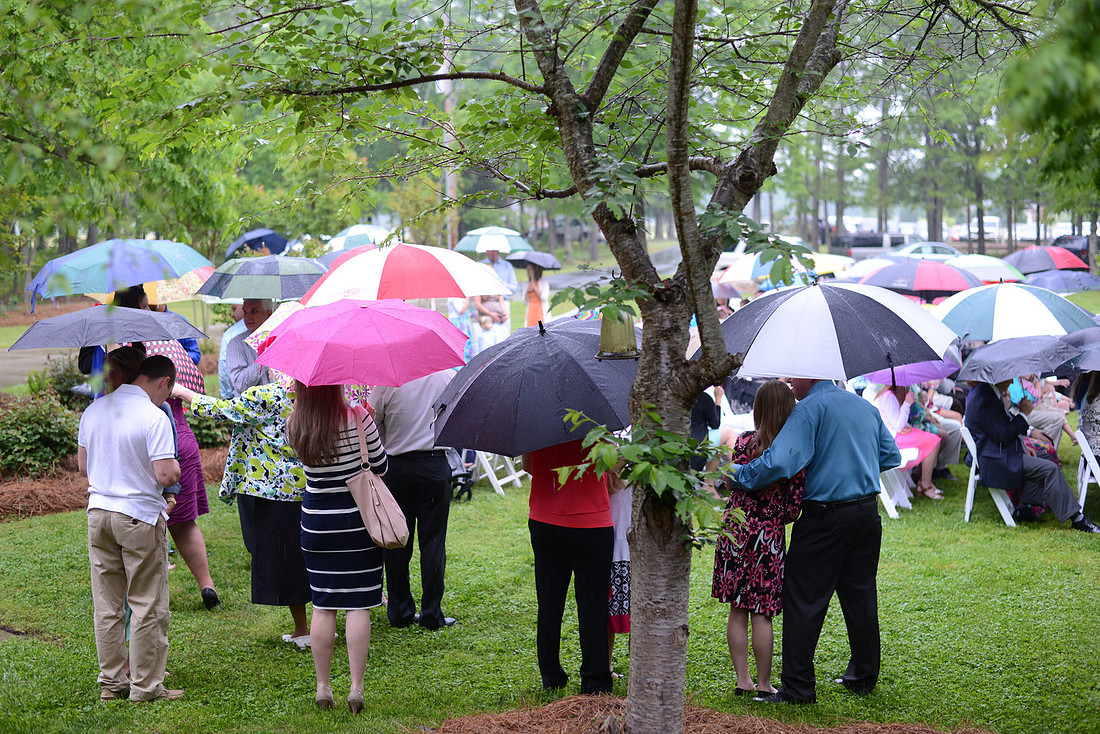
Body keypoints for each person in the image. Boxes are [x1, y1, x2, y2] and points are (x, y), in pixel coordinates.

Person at [723, 378, 901, 704]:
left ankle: (797, 688)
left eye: (795, 376)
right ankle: (863, 676)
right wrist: (852, 462)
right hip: (865, 513)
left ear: (810, 375)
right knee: (860, 596)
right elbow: (891, 456)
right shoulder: (864, 406)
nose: (791, 382)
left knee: (802, 598)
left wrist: (736, 474)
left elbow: (778, 462)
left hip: (825, 516)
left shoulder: (808, 409)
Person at [173, 380, 314, 645]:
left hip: (270, 490)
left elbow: (224, 410)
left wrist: (182, 392)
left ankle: (303, 630)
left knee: (286, 562)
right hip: (313, 486)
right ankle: (321, 624)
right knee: (313, 559)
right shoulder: (323, 394)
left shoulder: (268, 394)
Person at [79, 355, 184, 703]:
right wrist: (177, 471)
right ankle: (146, 686)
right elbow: (165, 475)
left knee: (107, 604)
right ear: (164, 382)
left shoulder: (93, 410)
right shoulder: (153, 416)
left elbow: (83, 466)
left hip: (99, 513)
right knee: (146, 602)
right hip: (138, 515)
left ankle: (111, 683)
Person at [287, 382, 389, 714]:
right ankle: (356, 688)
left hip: (317, 525)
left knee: (323, 605)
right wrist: (367, 426)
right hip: (358, 524)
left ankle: (323, 686)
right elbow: (381, 467)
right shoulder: (359, 418)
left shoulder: (295, 424)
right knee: (358, 605)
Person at [712, 380, 804, 697]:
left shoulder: (742, 442)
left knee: (737, 609)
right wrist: (773, 515)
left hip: (735, 529)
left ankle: (743, 680)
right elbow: (793, 507)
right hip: (766, 536)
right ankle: (764, 685)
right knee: (761, 612)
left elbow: (729, 481)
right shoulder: (792, 452)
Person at [521, 439, 614, 695]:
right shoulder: (596, 421)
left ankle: (551, 675)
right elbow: (610, 464)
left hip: (545, 517)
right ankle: (595, 680)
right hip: (592, 520)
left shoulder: (535, 422)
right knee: (593, 604)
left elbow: (528, 466)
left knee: (549, 601)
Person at [369, 369, 457, 630]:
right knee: (433, 543)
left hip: (397, 468)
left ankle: (400, 612)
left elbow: (373, 424)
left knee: (396, 541)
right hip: (433, 465)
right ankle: (431, 614)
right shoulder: (448, 377)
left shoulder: (387, 381)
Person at [964, 379, 1099, 533]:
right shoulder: (984, 397)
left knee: (1045, 456)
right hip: (994, 460)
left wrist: (1022, 443)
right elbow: (1003, 435)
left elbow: (1000, 428)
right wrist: (1023, 413)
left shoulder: (987, 392)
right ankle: (1077, 519)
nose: (1012, 380)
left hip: (997, 452)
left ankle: (1025, 508)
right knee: (1050, 469)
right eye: (1009, 377)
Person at [871, 384, 942, 499]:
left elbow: (896, 421)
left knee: (933, 439)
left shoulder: (891, 395)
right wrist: (907, 403)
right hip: (892, 440)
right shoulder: (889, 397)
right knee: (933, 442)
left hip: (895, 435)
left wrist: (906, 425)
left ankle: (924, 481)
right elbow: (897, 426)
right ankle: (925, 485)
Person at [224, 298, 273, 397]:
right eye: (245, 312)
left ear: (268, 314)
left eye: (254, 311)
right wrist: (267, 358)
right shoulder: (236, 344)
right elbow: (239, 383)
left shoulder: (281, 339)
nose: (248, 317)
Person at [218, 304, 247, 398]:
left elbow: (223, 366)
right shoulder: (276, 328)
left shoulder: (231, 334)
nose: (232, 315)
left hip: (238, 397)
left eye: (234, 309)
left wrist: (228, 394)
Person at [524, 262, 550, 327]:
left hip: (541, 311)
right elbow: (525, 302)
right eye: (527, 270)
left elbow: (544, 297)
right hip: (531, 311)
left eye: (529, 270)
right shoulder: (526, 284)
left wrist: (535, 288)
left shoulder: (543, 282)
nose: (528, 272)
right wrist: (527, 291)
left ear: (534, 270)